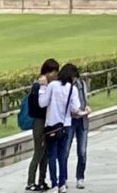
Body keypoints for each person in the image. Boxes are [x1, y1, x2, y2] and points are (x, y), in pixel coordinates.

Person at [39, 61, 79, 193]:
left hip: (52, 126)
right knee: (62, 156)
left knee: (52, 156)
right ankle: (62, 183)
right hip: (65, 125)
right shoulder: (72, 89)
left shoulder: (53, 86)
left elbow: (42, 103)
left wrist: (43, 88)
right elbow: (76, 108)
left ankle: (54, 184)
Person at [25, 58, 58, 192]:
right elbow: (37, 106)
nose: (55, 75)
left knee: (45, 153)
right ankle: (30, 181)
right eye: (54, 72)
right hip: (39, 121)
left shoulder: (50, 84)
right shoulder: (38, 86)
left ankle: (41, 180)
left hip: (47, 120)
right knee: (39, 151)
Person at [68, 64, 91, 190]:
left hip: (82, 120)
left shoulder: (81, 84)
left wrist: (87, 107)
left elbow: (85, 100)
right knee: (65, 151)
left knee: (82, 151)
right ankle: (63, 178)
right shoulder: (66, 87)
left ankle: (80, 177)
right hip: (70, 121)